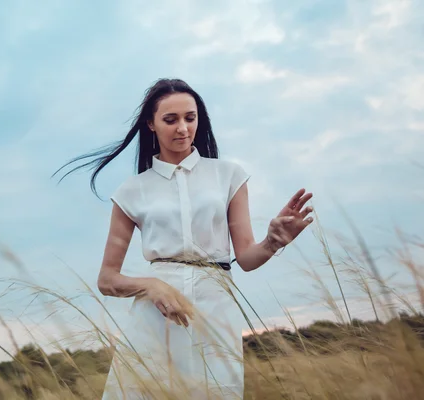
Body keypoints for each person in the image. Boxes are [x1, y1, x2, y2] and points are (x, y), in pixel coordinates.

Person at [53, 78, 314, 399]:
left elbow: (246, 258)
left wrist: (273, 242)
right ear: (151, 124)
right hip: (156, 315)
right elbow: (107, 279)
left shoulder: (228, 176)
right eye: (170, 119)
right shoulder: (131, 192)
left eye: (190, 118)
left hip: (216, 309)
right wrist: (152, 285)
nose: (182, 128)